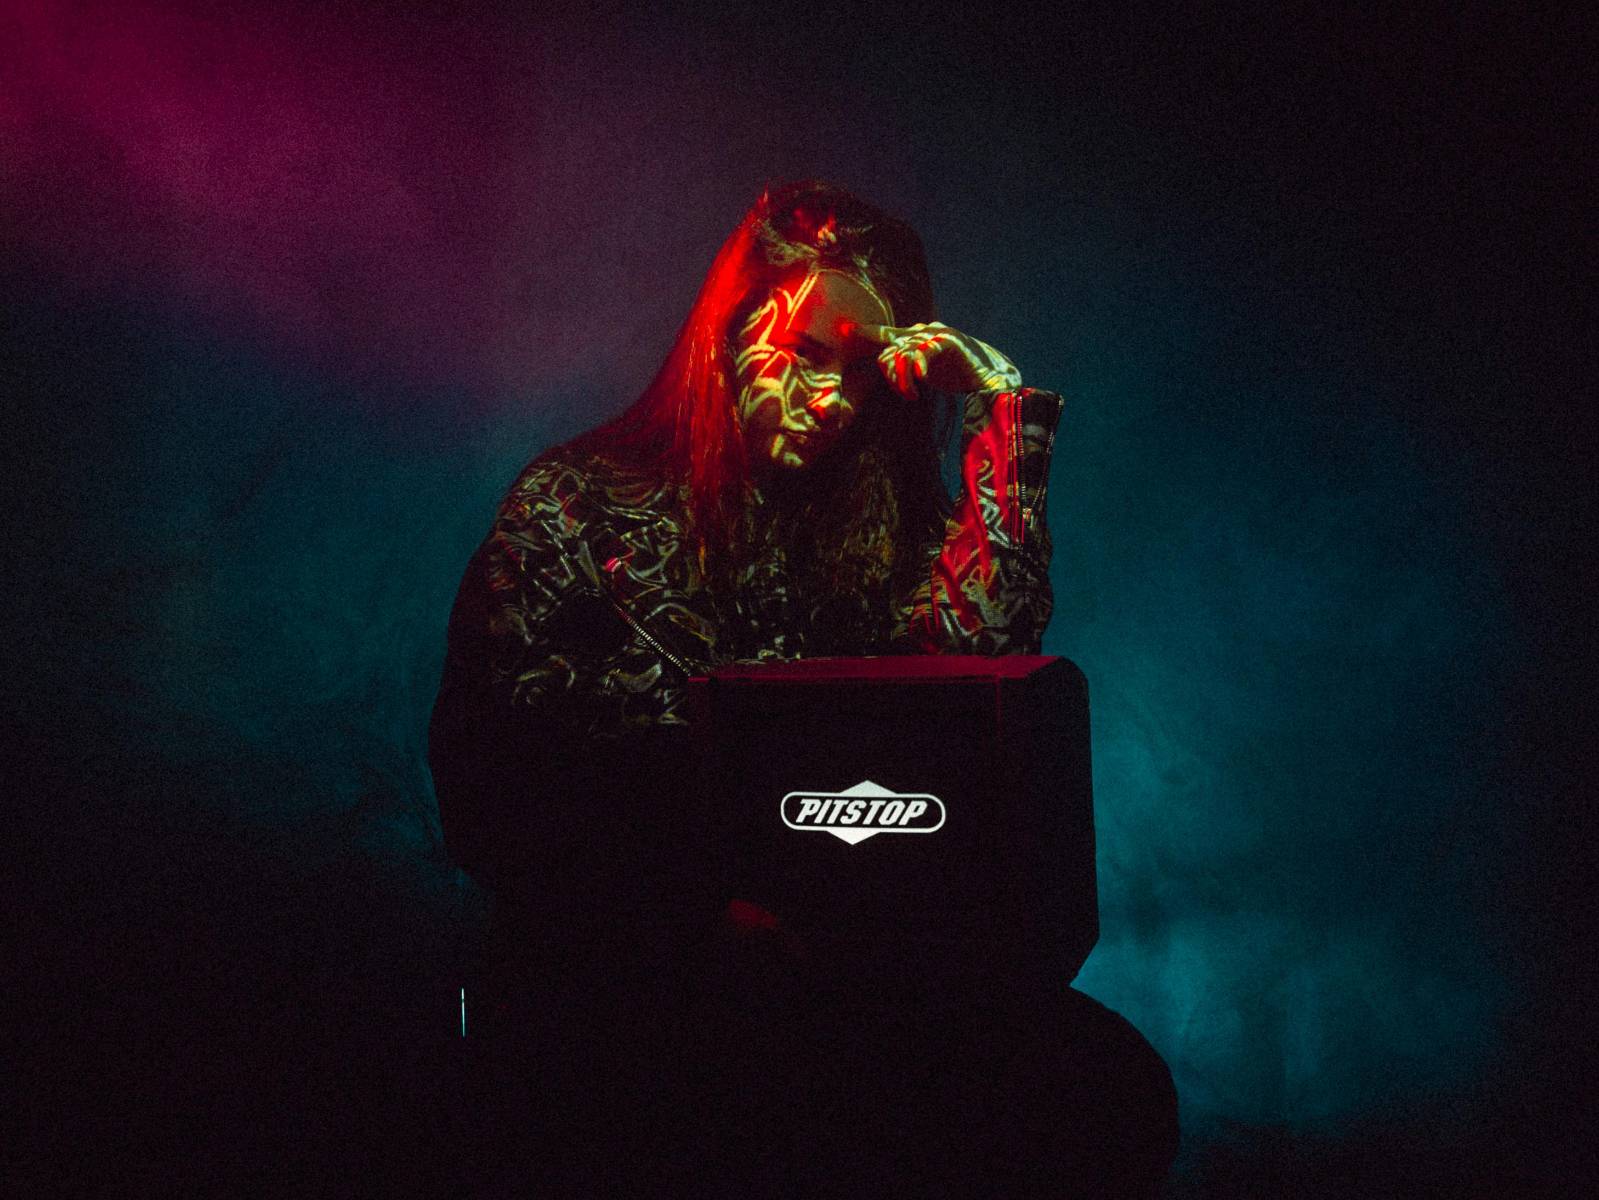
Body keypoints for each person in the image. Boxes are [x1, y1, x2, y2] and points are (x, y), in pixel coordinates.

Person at [429, 181, 1176, 1194]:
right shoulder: (574, 508)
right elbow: (493, 785)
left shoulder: (883, 524)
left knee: (1102, 1089)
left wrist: (1001, 408)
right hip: (635, 979)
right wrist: (691, 915)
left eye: (866, 372)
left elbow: (990, 677)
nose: (834, 397)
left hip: (864, 982)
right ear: (728, 330)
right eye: (809, 352)